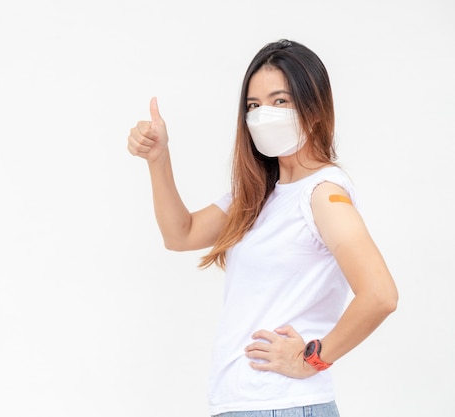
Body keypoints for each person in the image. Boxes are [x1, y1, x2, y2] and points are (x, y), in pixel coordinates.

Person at [126, 39, 398, 417]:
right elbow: (181, 234)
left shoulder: (322, 194)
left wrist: (311, 360)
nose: (263, 114)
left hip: (283, 405)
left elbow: (380, 294)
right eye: (253, 106)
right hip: (243, 403)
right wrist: (158, 158)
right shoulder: (258, 195)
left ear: (314, 109)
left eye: (279, 101)